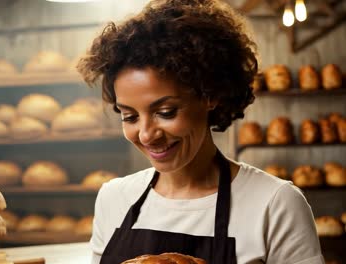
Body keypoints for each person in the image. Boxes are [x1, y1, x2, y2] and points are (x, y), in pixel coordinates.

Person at [77, 0, 324, 263]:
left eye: (166, 112)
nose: (147, 134)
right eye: (130, 116)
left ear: (210, 95)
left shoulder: (275, 203)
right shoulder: (114, 198)